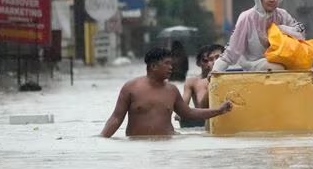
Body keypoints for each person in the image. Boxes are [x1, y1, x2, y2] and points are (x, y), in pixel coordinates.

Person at [100, 47, 233, 137]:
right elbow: (116, 118)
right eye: (167, 64)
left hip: (168, 145)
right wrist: (101, 139)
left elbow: (189, 113)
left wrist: (218, 110)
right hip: (138, 148)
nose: (171, 67)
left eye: (172, 64)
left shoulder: (172, 90)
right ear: (153, 66)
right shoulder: (131, 88)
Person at [212, 0, 305, 72]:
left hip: (282, 59)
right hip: (254, 63)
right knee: (278, 68)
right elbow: (233, 49)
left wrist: (281, 29)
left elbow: (300, 31)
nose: (272, 0)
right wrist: (216, 71)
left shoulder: (282, 14)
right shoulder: (246, 17)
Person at [183, 44, 224, 109]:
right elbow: (201, 109)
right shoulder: (192, 82)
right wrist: (212, 83)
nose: (215, 62)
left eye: (218, 58)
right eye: (206, 60)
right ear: (198, 63)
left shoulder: (231, 78)